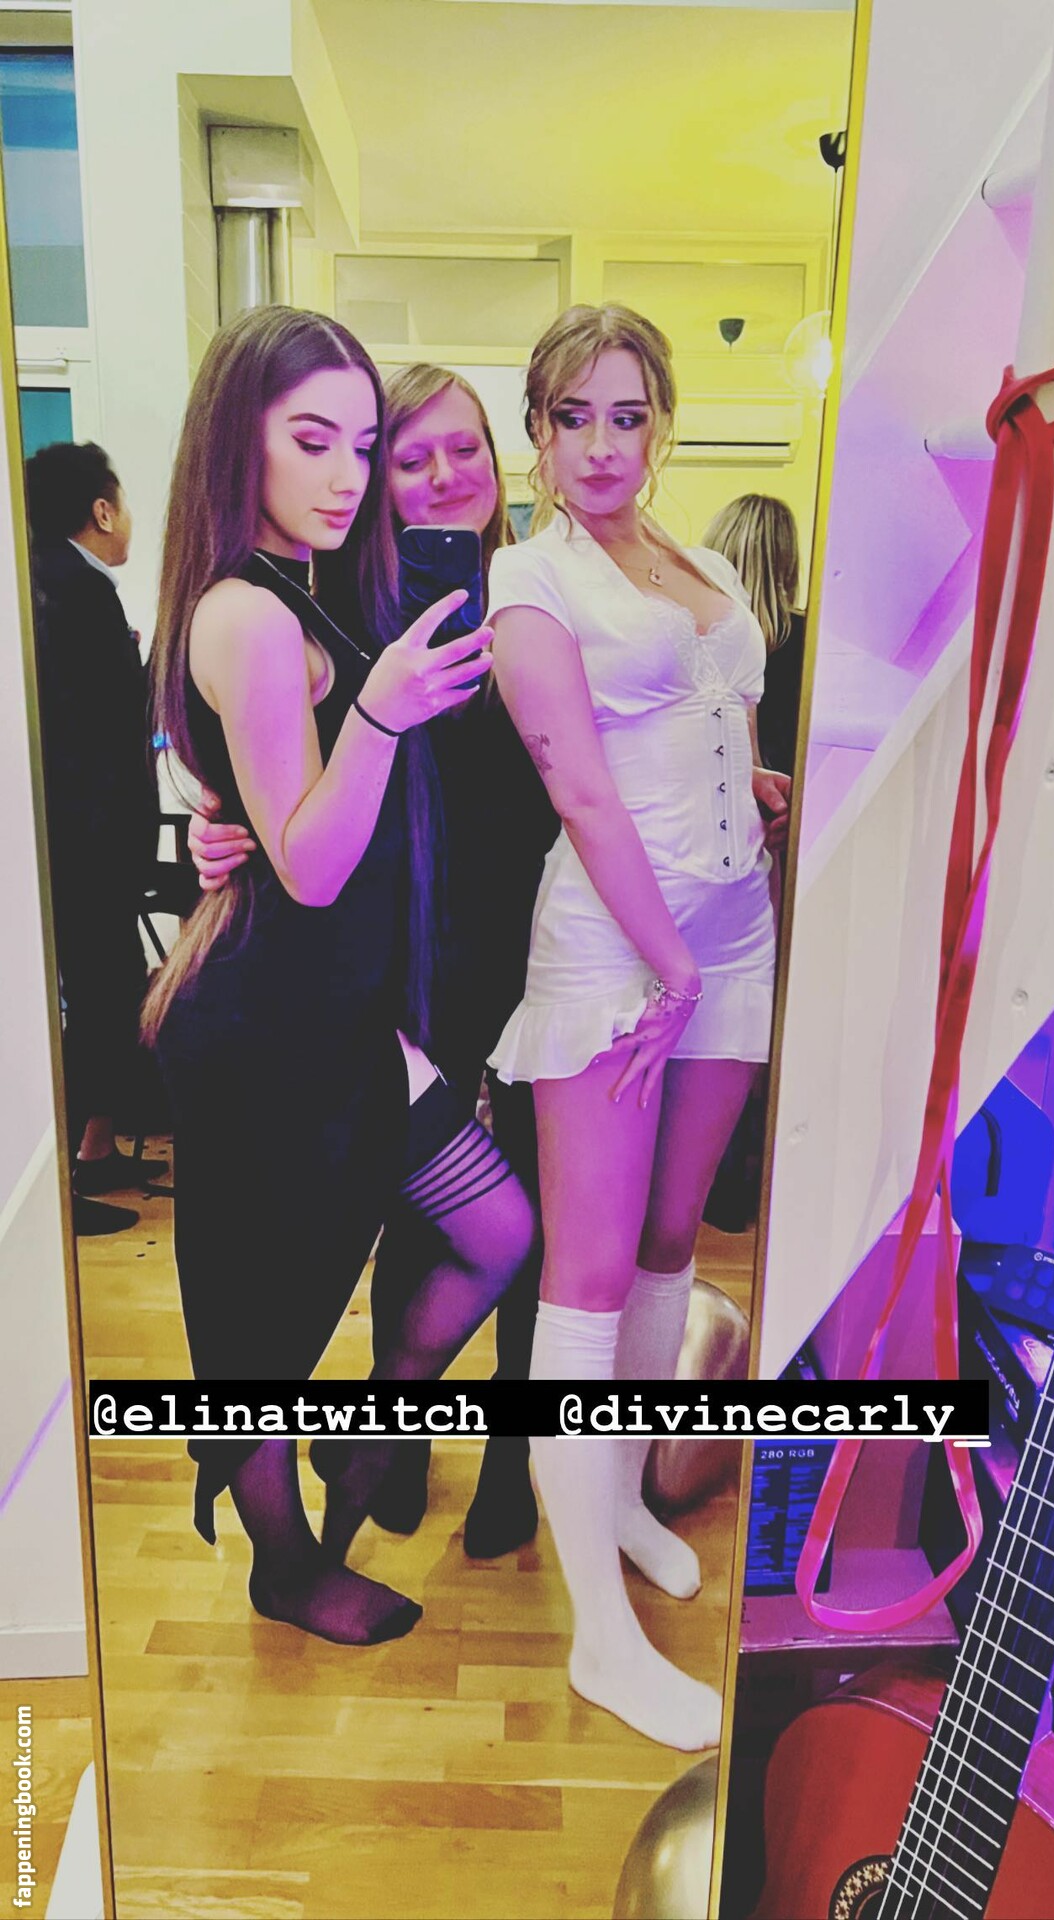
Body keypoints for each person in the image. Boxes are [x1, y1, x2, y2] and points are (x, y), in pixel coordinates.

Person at [142, 305, 535, 1647]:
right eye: (314, 440)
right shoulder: (246, 612)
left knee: (495, 1232)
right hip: (267, 1026)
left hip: (342, 1015)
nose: (348, 475)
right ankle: (284, 1563)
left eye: (363, 446)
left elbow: (287, 817)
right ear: (235, 437)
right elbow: (310, 866)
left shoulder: (305, 587)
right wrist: (376, 712)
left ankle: (371, 1427)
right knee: (259, 1328)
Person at [484, 305, 790, 1751]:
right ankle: (598, 1634)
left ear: (661, 421)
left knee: (674, 1243)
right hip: (620, 950)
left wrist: (755, 782)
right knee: (591, 1275)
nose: (601, 445)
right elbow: (583, 791)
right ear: (537, 432)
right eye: (572, 416)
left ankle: (614, 1505)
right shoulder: (530, 578)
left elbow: (712, 720)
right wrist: (667, 969)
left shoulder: (700, 561)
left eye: (626, 414)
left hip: (733, 936)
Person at [26, 441, 166, 1236]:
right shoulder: (79, 591)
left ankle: (96, 1149)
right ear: (103, 510)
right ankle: (62, 1186)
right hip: (88, 850)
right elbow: (102, 733)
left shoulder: (43, 581)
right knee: (105, 996)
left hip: (70, 846)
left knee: (105, 992)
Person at [703, 493, 805, 777]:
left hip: (707, 787)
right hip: (787, 792)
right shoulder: (811, 641)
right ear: (788, 562)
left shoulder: (690, 631)